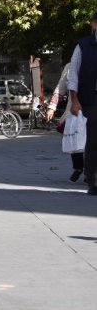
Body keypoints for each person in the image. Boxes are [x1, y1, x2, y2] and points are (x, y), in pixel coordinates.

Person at [67, 11, 97, 195]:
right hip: (91, 100)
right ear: (95, 24)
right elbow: (73, 75)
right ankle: (92, 181)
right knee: (93, 141)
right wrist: (74, 100)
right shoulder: (83, 45)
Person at [47, 63, 84, 182]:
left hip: (92, 110)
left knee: (91, 142)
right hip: (74, 110)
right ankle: (78, 168)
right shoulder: (70, 67)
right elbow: (60, 88)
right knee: (74, 139)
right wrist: (52, 106)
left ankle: (90, 171)